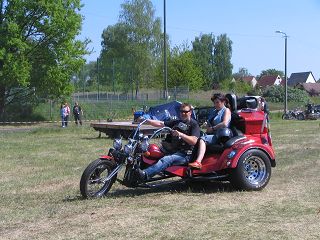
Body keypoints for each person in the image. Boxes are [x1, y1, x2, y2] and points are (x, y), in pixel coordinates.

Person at [137, 103, 200, 181]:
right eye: (181, 111)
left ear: (190, 112)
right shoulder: (177, 122)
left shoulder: (194, 124)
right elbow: (160, 123)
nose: (183, 113)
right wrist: (145, 120)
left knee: (167, 159)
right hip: (172, 150)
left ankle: (145, 174)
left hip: (185, 154)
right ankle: (136, 174)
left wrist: (181, 134)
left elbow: (194, 141)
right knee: (148, 150)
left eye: (186, 112)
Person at [188, 93, 232, 169]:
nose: (215, 104)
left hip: (220, 136)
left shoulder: (226, 110)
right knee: (196, 138)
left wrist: (213, 128)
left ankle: (198, 162)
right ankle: (188, 160)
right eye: (214, 103)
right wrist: (204, 127)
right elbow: (208, 123)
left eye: (217, 102)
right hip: (212, 134)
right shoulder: (214, 111)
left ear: (223, 102)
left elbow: (225, 123)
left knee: (202, 139)